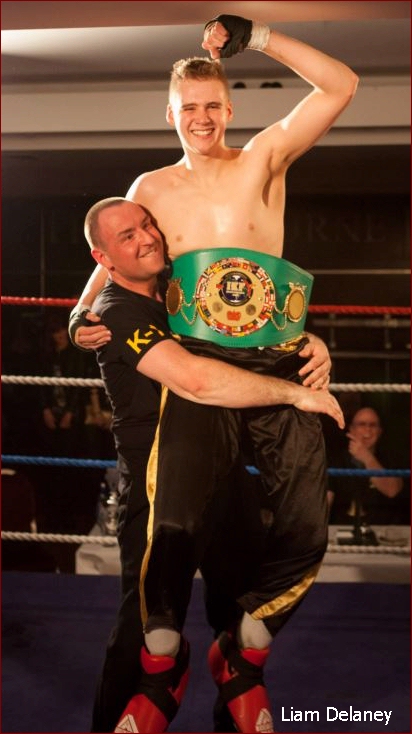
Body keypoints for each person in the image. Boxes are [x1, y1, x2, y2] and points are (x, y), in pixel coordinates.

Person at [71, 14, 358, 733]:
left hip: (275, 357)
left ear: (229, 109)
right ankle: (161, 668)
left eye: (211, 106)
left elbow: (341, 84)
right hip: (194, 365)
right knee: (172, 525)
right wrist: (79, 315)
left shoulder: (263, 158)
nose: (200, 118)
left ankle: (245, 651)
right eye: (187, 107)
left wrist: (257, 35)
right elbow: (109, 251)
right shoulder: (150, 185)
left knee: (306, 525)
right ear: (169, 114)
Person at [76, 197, 343, 733]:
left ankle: (233, 707)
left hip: (224, 476)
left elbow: (260, 329)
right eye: (127, 236)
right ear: (103, 259)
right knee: (144, 629)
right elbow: (196, 380)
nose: (147, 237)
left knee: (235, 618)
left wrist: (310, 343)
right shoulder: (115, 310)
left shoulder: (189, 286)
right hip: (155, 490)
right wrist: (296, 394)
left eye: (147, 224)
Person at [327, 406, 404, 527]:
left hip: (383, 531)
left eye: (373, 425)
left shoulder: (391, 458)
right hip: (342, 530)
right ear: (351, 429)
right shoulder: (336, 460)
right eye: (362, 424)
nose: (368, 429)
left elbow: (392, 490)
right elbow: (325, 504)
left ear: (380, 431)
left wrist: (366, 457)